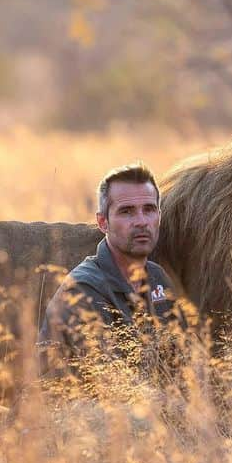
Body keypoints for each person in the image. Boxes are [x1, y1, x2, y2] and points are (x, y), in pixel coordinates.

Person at [38, 162, 186, 378]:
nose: (142, 222)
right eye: (127, 212)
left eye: (149, 210)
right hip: (75, 408)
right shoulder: (83, 289)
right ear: (102, 222)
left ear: (159, 216)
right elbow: (112, 384)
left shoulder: (157, 278)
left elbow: (183, 360)